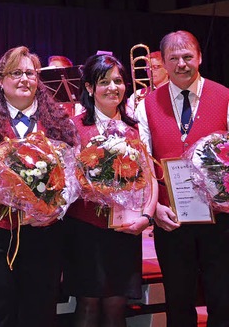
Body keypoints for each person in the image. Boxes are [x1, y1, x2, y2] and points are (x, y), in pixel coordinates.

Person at [0, 46, 78, 327]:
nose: (25, 79)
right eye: (16, 73)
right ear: (0, 81)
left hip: (44, 232)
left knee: (40, 309)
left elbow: (73, 175)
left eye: (30, 73)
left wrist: (58, 208)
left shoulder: (59, 120)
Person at [136, 30, 229, 327]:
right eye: (173, 58)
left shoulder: (225, 96)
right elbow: (142, 163)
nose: (181, 64)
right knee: (178, 302)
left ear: (199, 57)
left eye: (188, 57)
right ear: (162, 62)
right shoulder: (146, 104)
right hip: (170, 218)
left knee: (223, 298)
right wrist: (153, 210)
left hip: (221, 220)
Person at [63, 54, 158, 327]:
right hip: (85, 229)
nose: (113, 87)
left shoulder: (135, 127)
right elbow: (69, 179)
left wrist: (147, 217)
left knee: (117, 306)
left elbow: (149, 176)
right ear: (90, 88)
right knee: (89, 305)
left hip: (125, 230)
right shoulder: (75, 127)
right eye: (104, 82)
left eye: (118, 81)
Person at [126, 50, 169, 119]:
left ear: (167, 69)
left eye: (155, 67)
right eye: (148, 68)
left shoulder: (177, 92)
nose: (150, 71)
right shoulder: (137, 94)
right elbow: (129, 120)